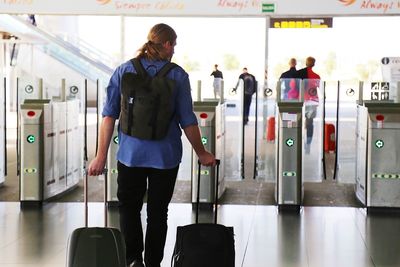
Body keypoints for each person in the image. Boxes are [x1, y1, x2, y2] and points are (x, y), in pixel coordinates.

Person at [87, 23, 216, 267]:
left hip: (129, 155)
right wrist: (202, 153)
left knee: (128, 209)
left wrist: (100, 156)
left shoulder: (124, 70)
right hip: (165, 157)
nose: (174, 50)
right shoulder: (177, 75)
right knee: (158, 214)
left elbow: (108, 116)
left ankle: (133, 259)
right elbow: (188, 120)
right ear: (166, 44)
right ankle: (153, 262)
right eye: (174, 45)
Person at [296, 56, 321, 153]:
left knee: (298, 122)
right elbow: (320, 90)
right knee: (310, 124)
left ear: (306, 63)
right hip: (313, 102)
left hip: (302, 101)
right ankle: (308, 144)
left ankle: (299, 142)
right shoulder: (317, 76)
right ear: (314, 64)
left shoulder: (300, 74)